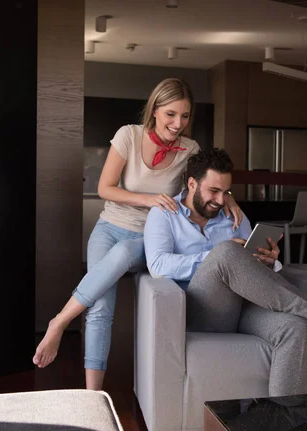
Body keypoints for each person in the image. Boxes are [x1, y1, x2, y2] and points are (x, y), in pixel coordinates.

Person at [32, 78, 243, 390]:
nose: (178, 123)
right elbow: (104, 188)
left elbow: (206, 184)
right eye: (171, 114)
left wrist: (230, 200)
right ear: (155, 109)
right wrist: (148, 199)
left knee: (125, 252)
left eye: (185, 116)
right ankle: (93, 396)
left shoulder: (190, 149)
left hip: (150, 237)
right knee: (100, 308)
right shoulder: (128, 135)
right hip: (108, 228)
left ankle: (60, 319)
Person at [144, 148, 307, 397]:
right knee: (226, 253)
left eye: (226, 192)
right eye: (214, 191)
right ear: (192, 184)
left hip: (245, 306)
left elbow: (248, 266)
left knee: (296, 328)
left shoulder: (234, 216)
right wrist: (215, 258)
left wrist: (268, 262)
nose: (221, 200)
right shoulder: (165, 214)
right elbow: (158, 265)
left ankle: (283, 414)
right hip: (202, 309)